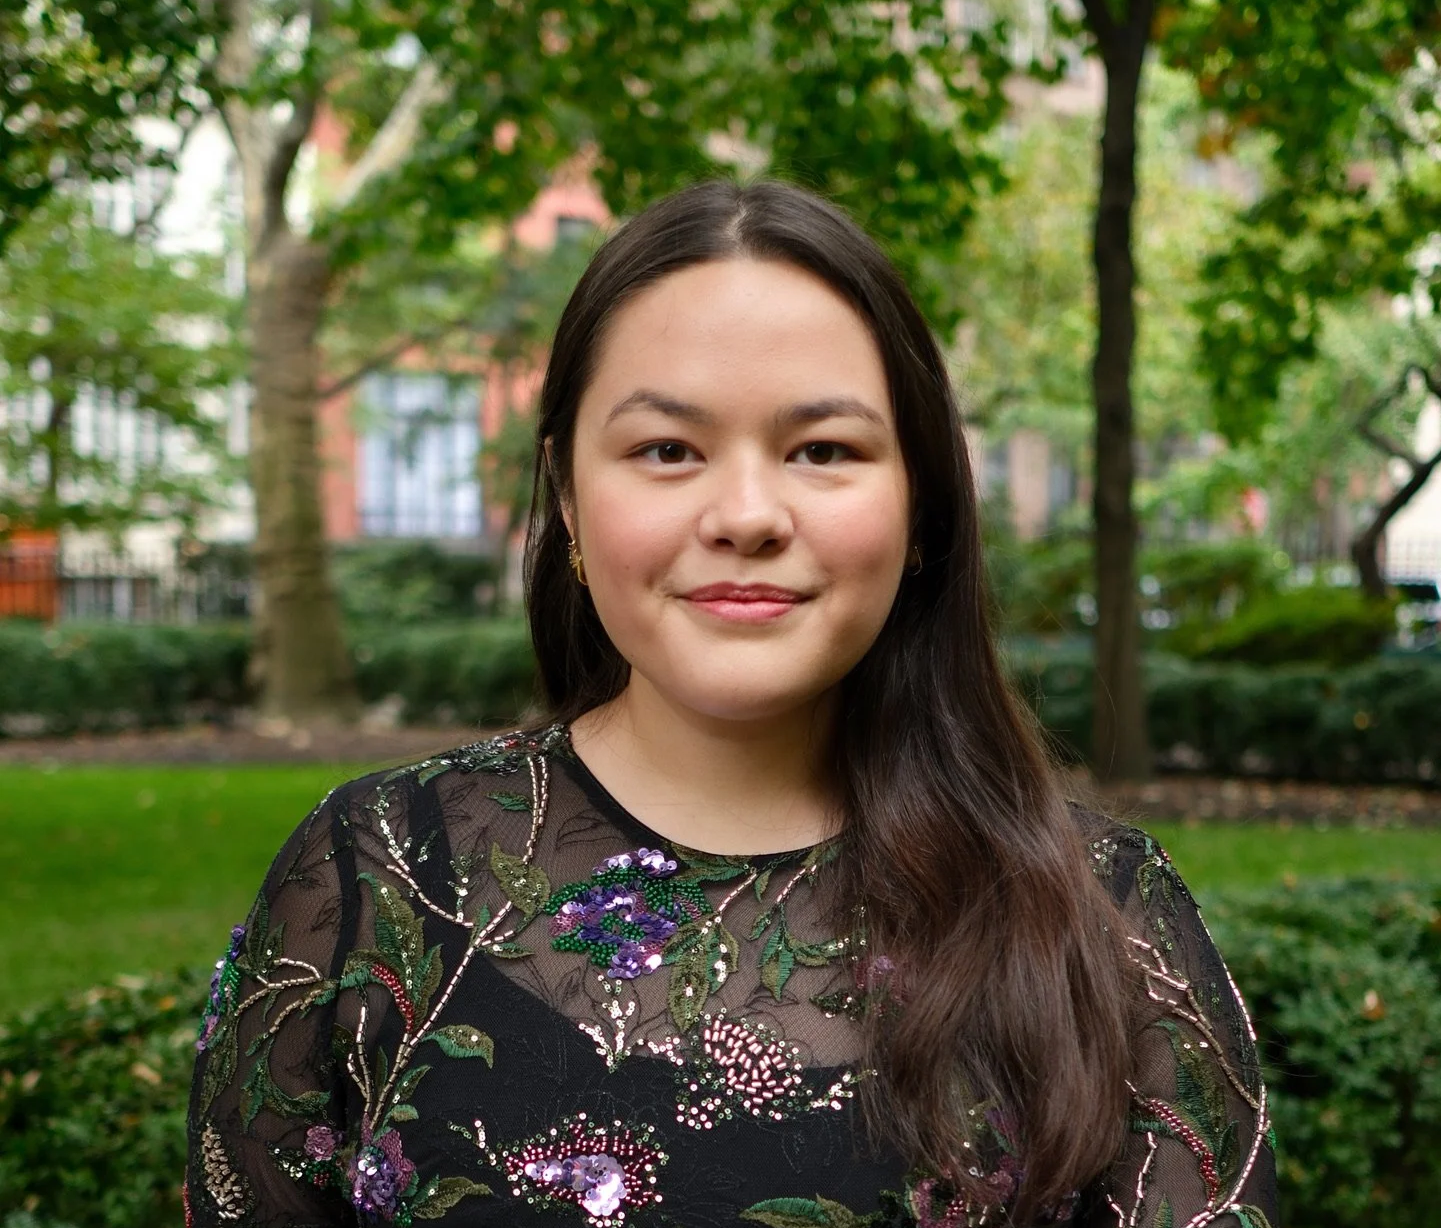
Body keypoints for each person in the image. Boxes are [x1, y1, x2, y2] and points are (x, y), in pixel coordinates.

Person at [185, 180, 1276, 1228]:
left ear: (922, 504)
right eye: (667, 449)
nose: (747, 513)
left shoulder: (1106, 918)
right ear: (568, 494)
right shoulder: (377, 880)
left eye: (822, 450)